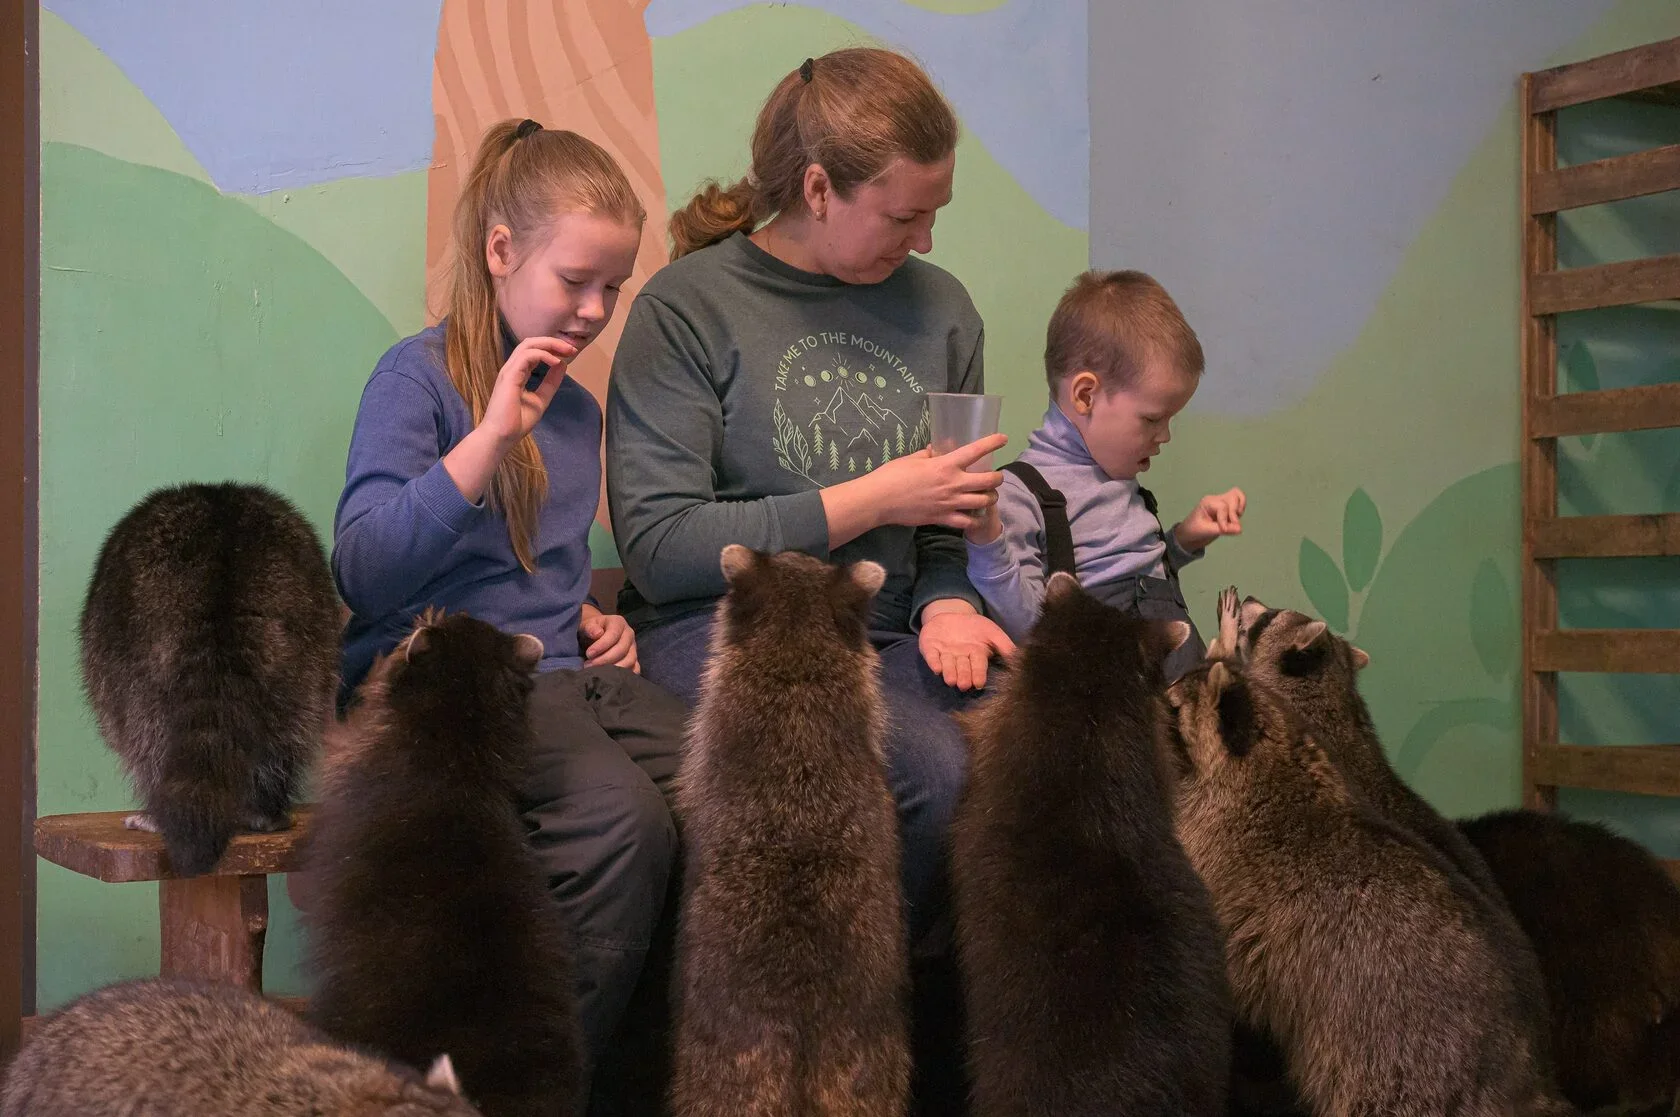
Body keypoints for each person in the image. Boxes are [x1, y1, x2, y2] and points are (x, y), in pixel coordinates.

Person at [604, 47, 1010, 1113]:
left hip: (880, 626)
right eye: (903, 214)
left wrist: (952, 596)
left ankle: (899, 1057)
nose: (925, 240)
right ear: (819, 189)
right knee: (921, 768)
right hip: (727, 627)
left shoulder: (945, 310)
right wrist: (872, 499)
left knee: (1031, 757)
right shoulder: (686, 309)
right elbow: (658, 545)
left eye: (938, 212)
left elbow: (944, 530)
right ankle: (797, 1057)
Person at [331, 117, 687, 1103]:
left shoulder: (577, 411)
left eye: (612, 288)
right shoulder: (420, 380)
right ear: (500, 251)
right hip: (440, 688)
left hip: (561, 673)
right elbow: (363, 569)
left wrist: (586, 615)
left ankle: (630, 1077)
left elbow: (544, 566)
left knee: (724, 783)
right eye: (576, 280)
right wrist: (488, 437)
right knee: (621, 824)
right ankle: (504, 1092)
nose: (595, 309)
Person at [965, 269, 1246, 681]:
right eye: (1152, 419)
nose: (1164, 436)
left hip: (1186, 690)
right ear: (1085, 395)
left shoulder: (1117, 481)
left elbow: (1139, 582)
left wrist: (1183, 540)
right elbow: (1027, 628)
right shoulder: (1022, 494)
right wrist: (987, 542)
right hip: (1115, 710)